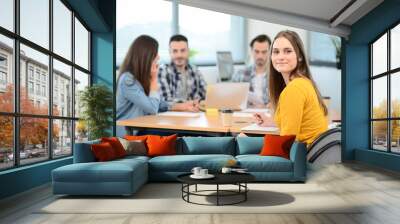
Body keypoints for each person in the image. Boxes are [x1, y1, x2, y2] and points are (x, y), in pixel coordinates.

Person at [254, 30, 328, 145]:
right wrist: (272, 122)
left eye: (287, 51)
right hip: (307, 153)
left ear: (300, 57)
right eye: (276, 52)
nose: (281, 57)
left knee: (240, 141)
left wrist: (246, 140)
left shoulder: (294, 89)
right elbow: (297, 123)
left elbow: (286, 143)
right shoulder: (303, 82)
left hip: (301, 157)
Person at [116, 35, 168, 137]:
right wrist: (154, 81)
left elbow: (158, 105)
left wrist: (181, 106)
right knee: (175, 133)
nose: (158, 57)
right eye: (155, 53)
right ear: (145, 56)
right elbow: (152, 108)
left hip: (140, 128)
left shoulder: (138, 78)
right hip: (129, 134)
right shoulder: (127, 80)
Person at [158, 34, 207, 112]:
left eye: (183, 50)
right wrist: (186, 105)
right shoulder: (162, 71)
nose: (179, 55)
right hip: (172, 117)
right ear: (170, 52)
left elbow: (206, 96)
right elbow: (165, 102)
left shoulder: (195, 70)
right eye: (175, 51)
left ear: (188, 51)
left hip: (194, 115)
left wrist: (200, 103)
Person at [232, 34, 271, 108]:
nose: (260, 56)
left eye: (264, 52)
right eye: (257, 51)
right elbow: (231, 98)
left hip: (268, 115)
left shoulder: (277, 76)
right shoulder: (240, 74)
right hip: (245, 115)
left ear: (270, 52)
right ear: (251, 51)